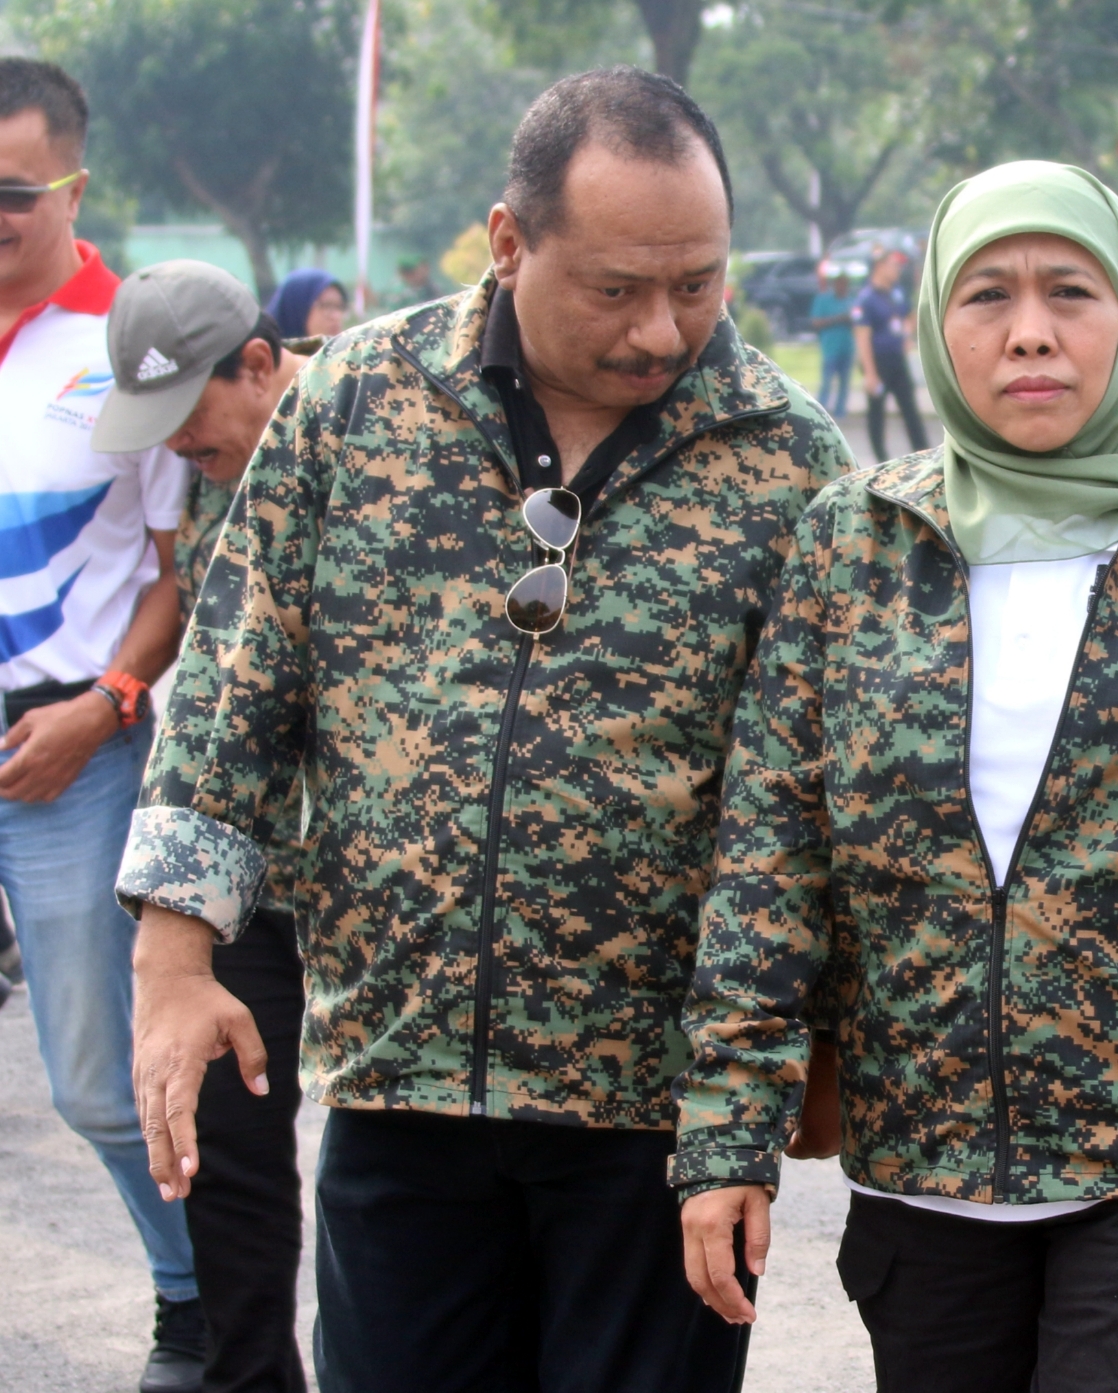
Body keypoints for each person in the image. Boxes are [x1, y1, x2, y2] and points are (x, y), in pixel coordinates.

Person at [116, 66, 852, 1393]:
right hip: (405, 1081)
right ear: (510, 244)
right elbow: (238, 679)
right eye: (617, 290)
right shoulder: (358, 402)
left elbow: (816, 802)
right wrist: (172, 961)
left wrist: (812, 1055)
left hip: (651, 1107)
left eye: (697, 284)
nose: (663, 332)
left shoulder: (790, 465)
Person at [674, 159, 1118, 1393]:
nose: (1030, 331)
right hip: (923, 1178)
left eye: (1071, 290)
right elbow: (770, 858)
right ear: (932, 321)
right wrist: (726, 1135)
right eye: (986, 295)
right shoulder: (856, 545)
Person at [0, 58, 201, 1393]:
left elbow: (179, 572)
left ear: (75, 181)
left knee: (89, 1080)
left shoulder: (130, 343)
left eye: (12, 191)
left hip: (64, 750)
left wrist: (108, 707)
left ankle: (193, 1301)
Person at [94, 259, 317, 1393]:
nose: (176, 445)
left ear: (265, 364)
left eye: (189, 415)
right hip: (248, 876)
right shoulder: (211, 475)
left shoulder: (387, 442)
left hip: (386, 879)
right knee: (223, 1150)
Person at [852, 248, 928, 462]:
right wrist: (870, 373)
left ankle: (922, 452)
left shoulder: (896, 293)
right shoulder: (866, 299)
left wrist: (907, 335)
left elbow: (910, 314)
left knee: (910, 408)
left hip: (897, 359)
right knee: (876, 412)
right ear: (879, 266)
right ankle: (880, 458)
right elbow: (862, 337)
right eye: (892, 265)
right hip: (878, 361)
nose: (896, 269)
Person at [809, 263, 856, 417]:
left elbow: (859, 321)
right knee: (827, 382)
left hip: (847, 347)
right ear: (834, 284)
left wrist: (850, 320)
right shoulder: (823, 300)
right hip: (830, 348)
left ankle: (840, 411)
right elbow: (816, 322)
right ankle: (821, 412)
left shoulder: (851, 300)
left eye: (845, 284)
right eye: (840, 283)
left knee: (844, 383)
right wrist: (837, 319)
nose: (843, 287)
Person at [263, 267, 345, 339]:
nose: (336, 316)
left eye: (339, 307)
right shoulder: (267, 355)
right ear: (297, 309)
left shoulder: (347, 354)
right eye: (327, 306)